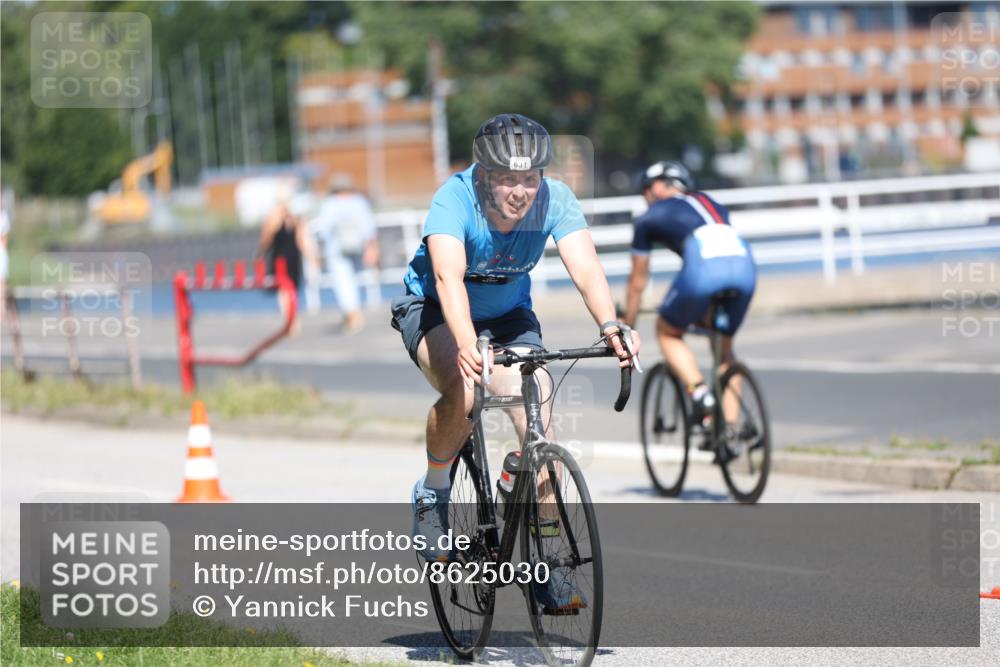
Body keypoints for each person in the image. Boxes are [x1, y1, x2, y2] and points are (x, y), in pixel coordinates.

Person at [390, 113, 639, 612]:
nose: (521, 191)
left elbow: (585, 266)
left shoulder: (556, 200)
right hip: (438, 310)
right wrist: (465, 343)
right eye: (508, 179)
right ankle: (433, 492)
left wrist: (611, 325)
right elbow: (447, 278)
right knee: (464, 389)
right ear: (483, 176)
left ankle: (543, 561)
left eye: (530, 178)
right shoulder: (453, 200)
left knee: (540, 426)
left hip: (509, 316)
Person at [622, 160, 756, 428]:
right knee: (724, 346)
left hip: (704, 267)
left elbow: (638, 282)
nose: (646, 198)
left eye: (646, 190)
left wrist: (628, 324)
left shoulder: (649, 217)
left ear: (658, 186)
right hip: (745, 264)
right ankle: (729, 430)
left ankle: (700, 393)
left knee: (667, 331)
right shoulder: (709, 201)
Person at [314, 175, 380, 334]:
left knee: (343, 283)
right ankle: (351, 316)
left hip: (336, 249)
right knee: (355, 281)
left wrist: (317, 253)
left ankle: (353, 317)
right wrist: (373, 248)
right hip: (358, 247)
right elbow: (369, 228)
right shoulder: (359, 202)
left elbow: (323, 229)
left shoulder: (330, 204)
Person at [257, 193, 319, 336]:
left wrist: (312, 257)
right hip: (279, 260)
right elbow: (266, 241)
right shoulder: (273, 218)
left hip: (293, 258)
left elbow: (301, 240)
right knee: (283, 291)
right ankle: (290, 321)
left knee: (292, 290)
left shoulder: (295, 218)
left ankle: (292, 319)